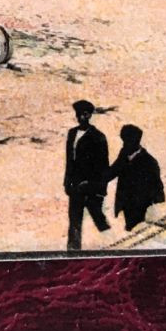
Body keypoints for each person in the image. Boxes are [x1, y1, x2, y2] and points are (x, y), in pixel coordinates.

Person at [63, 99, 111, 250]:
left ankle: (113, 246)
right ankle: (73, 252)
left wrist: (99, 188)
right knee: (74, 221)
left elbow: (103, 165)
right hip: (75, 185)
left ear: (90, 115)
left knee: (99, 219)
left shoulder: (98, 137)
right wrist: (67, 182)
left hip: (91, 186)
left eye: (84, 114)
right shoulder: (72, 133)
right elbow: (69, 160)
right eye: (78, 114)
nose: (80, 117)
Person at [107, 124, 166, 230]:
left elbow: (158, 187)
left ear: (136, 141)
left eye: (128, 141)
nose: (125, 144)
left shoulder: (149, 162)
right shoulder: (124, 155)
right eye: (124, 140)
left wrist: (156, 208)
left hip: (142, 207)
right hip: (126, 205)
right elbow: (112, 172)